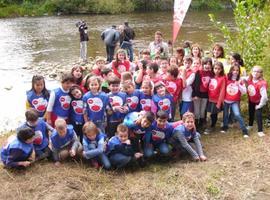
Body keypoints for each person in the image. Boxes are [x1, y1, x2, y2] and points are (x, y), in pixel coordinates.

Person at [221, 64, 248, 137]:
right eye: (234, 70)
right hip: (226, 100)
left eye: (237, 70)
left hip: (235, 101)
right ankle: (225, 126)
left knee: (237, 114)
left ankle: (244, 130)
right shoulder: (226, 78)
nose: (235, 72)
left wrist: (238, 84)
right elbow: (223, 88)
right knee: (225, 114)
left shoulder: (240, 80)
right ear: (231, 70)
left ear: (239, 71)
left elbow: (244, 91)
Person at [245, 66, 268, 137]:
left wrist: (260, 105)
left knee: (258, 115)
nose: (255, 73)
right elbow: (242, 78)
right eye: (254, 71)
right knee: (251, 112)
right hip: (251, 100)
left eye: (258, 72)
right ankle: (250, 125)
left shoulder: (262, 83)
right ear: (251, 72)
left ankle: (260, 130)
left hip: (259, 101)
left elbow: (264, 97)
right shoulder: (249, 79)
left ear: (261, 74)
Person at [204, 61, 226, 134]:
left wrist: (219, 102)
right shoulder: (211, 76)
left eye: (219, 69)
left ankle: (212, 126)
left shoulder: (222, 78)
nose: (217, 70)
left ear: (221, 69)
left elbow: (222, 91)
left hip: (216, 100)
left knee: (214, 113)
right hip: (209, 98)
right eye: (215, 68)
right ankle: (205, 124)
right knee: (208, 112)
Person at [192, 57, 213, 129]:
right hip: (197, 95)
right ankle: (196, 125)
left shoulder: (211, 73)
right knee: (197, 111)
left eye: (209, 64)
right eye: (205, 64)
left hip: (205, 95)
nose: (207, 66)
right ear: (202, 64)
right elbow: (196, 85)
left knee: (202, 110)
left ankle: (201, 124)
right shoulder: (199, 72)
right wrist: (195, 95)